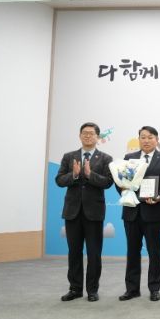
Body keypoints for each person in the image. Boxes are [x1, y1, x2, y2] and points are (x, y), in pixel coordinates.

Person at [55, 122, 113, 302]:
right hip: (72, 211)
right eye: (84, 133)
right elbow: (59, 180)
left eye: (91, 133)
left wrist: (89, 175)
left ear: (97, 137)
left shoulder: (105, 158)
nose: (88, 136)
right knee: (74, 252)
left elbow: (108, 182)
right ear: (80, 136)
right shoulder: (69, 156)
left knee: (94, 253)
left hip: (94, 212)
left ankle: (92, 290)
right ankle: (75, 289)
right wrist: (73, 175)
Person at [118, 126, 160, 302]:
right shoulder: (129, 158)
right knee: (132, 251)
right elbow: (121, 181)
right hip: (132, 211)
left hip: (154, 211)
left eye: (150, 137)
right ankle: (132, 289)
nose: (146, 140)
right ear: (139, 139)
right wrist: (125, 192)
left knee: (154, 251)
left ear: (157, 140)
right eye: (143, 137)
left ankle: (154, 288)